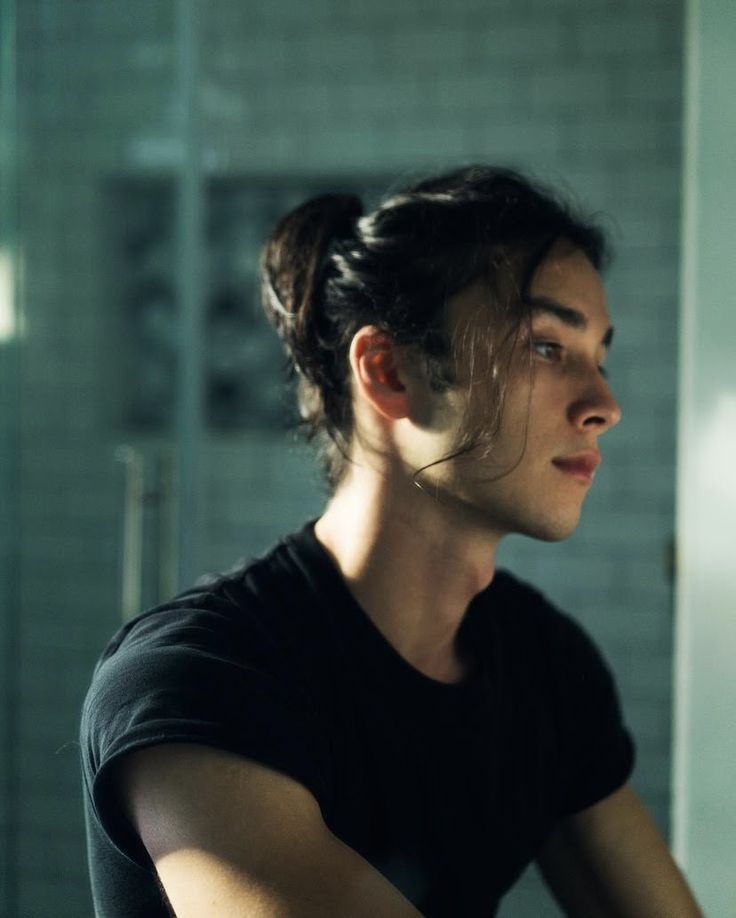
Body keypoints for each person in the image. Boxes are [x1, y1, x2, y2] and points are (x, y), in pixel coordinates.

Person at [80, 166, 702, 917]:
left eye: (597, 356)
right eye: (547, 347)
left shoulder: (544, 664)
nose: (605, 404)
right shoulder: (200, 684)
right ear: (388, 372)